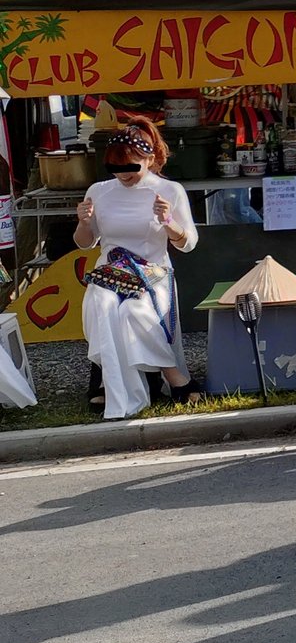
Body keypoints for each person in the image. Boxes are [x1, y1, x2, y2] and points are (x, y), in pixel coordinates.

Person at [75, 120, 199, 419]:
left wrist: (168, 222)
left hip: (152, 272)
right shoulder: (99, 191)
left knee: (134, 311)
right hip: (110, 272)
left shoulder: (169, 190)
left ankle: (170, 375)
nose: (123, 174)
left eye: (130, 166)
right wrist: (82, 222)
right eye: (115, 168)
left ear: (150, 159)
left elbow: (188, 243)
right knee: (102, 303)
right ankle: (112, 381)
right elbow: (85, 243)